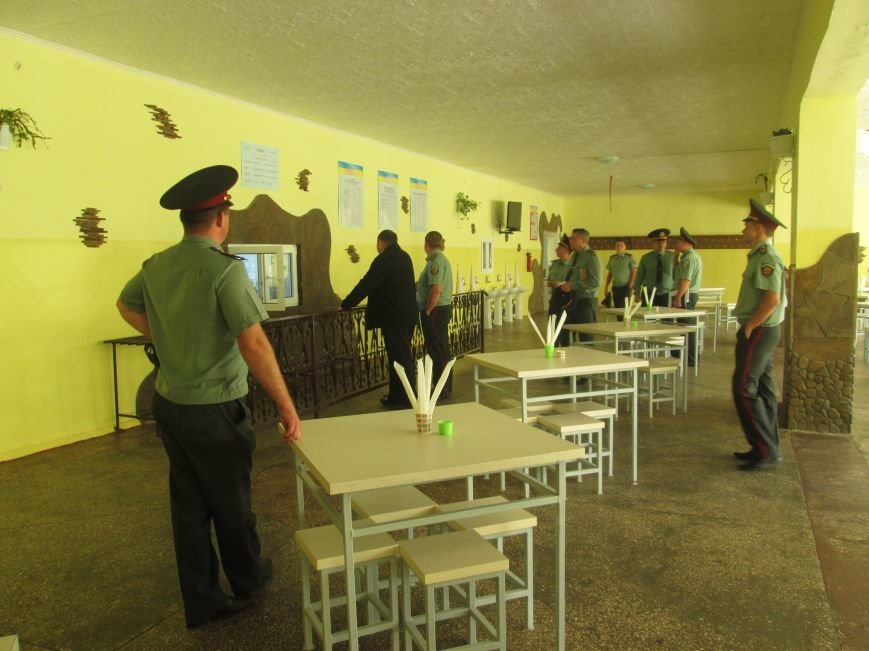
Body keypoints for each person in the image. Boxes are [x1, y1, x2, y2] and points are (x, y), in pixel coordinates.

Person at [116, 165, 302, 628]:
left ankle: (202, 599)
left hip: (171, 404)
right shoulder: (224, 271)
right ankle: (248, 579)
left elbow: (125, 304)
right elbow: (253, 343)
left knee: (189, 504)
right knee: (232, 499)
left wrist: (168, 337)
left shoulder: (156, 265)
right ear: (221, 218)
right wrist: (286, 405)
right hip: (215, 408)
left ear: (186, 220)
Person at [732, 199, 787, 471]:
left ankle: (766, 451)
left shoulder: (767, 257)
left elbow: (772, 299)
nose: (744, 228)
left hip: (760, 330)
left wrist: (751, 326)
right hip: (762, 329)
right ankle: (766, 447)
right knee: (764, 390)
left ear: (759, 228)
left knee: (743, 386)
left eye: (748, 224)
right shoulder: (758, 255)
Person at [341, 229, 417, 408]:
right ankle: (398, 396)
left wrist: (346, 304)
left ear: (381, 242)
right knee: (401, 357)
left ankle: (405, 398)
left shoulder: (384, 259)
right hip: (408, 315)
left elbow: (367, 283)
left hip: (394, 318)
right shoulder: (405, 257)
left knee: (399, 359)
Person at [416, 231, 454, 399]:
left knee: (438, 351)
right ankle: (444, 387)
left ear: (426, 244)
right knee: (440, 349)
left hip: (436, 311)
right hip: (440, 309)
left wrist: (428, 310)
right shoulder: (441, 259)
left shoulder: (435, 262)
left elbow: (436, 289)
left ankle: (442, 390)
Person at [559, 228, 601, 343]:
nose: (570, 241)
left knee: (586, 337)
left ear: (583, 241)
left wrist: (572, 285)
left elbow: (595, 282)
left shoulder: (591, 257)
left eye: (573, 238)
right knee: (566, 334)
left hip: (586, 301)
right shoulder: (574, 255)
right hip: (571, 300)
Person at [672, 227, 703, 366]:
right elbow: (677, 273)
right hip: (686, 295)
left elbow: (685, 280)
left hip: (686, 296)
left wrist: (678, 298)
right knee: (684, 325)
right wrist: (675, 257)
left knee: (687, 327)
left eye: (678, 242)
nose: (676, 244)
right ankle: (686, 354)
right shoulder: (687, 257)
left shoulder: (689, 259)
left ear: (685, 243)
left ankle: (690, 358)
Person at [634, 229, 675, 306]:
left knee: (667, 314)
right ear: (653, 243)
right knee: (647, 313)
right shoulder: (646, 258)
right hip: (648, 294)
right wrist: (637, 294)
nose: (661, 244)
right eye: (658, 242)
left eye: (663, 242)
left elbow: (677, 277)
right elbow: (639, 278)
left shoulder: (672, 257)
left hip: (666, 294)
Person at [546, 234, 573, 346]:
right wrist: (551, 282)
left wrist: (561, 283)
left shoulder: (573, 266)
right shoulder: (555, 264)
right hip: (555, 298)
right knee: (552, 324)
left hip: (568, 300)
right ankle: (553, 346)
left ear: (566, 250)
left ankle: (566, 348)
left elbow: (575, 281)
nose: (556, 250)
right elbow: (549, 278)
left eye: (559, 248)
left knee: (565, 327)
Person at [604, 238, 637, 316]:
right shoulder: (612, 258)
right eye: (617, 245)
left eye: (621, 245)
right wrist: (606, 287)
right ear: (615, 247)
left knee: (624, 308)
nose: (619, 247)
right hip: (615, 287)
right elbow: (610, 273)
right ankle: (620, 322)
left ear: (625, 247)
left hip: (626, 287)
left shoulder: (629, 257)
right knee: (618, 309)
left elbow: (634, 271)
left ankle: (625, 322)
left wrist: (631, 283)